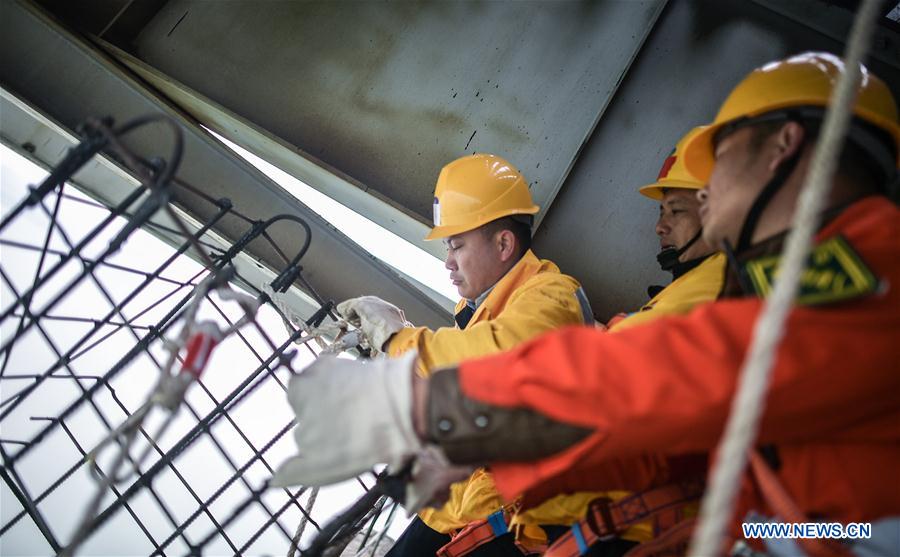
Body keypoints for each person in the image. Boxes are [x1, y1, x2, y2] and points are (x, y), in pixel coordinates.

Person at [277, 52, 900, 556]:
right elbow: (676, 449)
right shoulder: (797, 287)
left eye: (721, 159)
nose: (705, 193)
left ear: (782, 146)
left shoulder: (865, 273)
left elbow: (651, 378)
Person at [273, 152, 594, 557]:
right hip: (460, 513)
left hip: (510, 523)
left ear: (504, 243)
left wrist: (399, 340)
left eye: (457, 246)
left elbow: (494, 361)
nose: (448, 263)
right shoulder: (482, 315)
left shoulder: (552, 296)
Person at [510, 129, 726, 556]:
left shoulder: (717, 285)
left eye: (675, 211)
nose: (659, 225)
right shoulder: (690, 289)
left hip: (624, 527)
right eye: (661, 211)